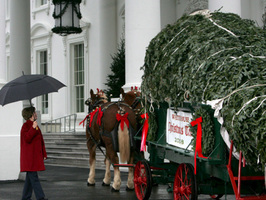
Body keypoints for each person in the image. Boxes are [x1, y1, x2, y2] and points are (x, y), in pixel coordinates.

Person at [20, 106, 48, 200]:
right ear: (31, 114)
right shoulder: (26, 126)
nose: (36, 114)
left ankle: (25, 197)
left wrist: (43, 154)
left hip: (34, 157)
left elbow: (40, 141)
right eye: (34, 112)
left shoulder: (35, 125)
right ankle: (41, 197)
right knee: (34, 178)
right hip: (29, 158)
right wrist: (32, 128)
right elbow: (27, 139)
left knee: (30, 178)